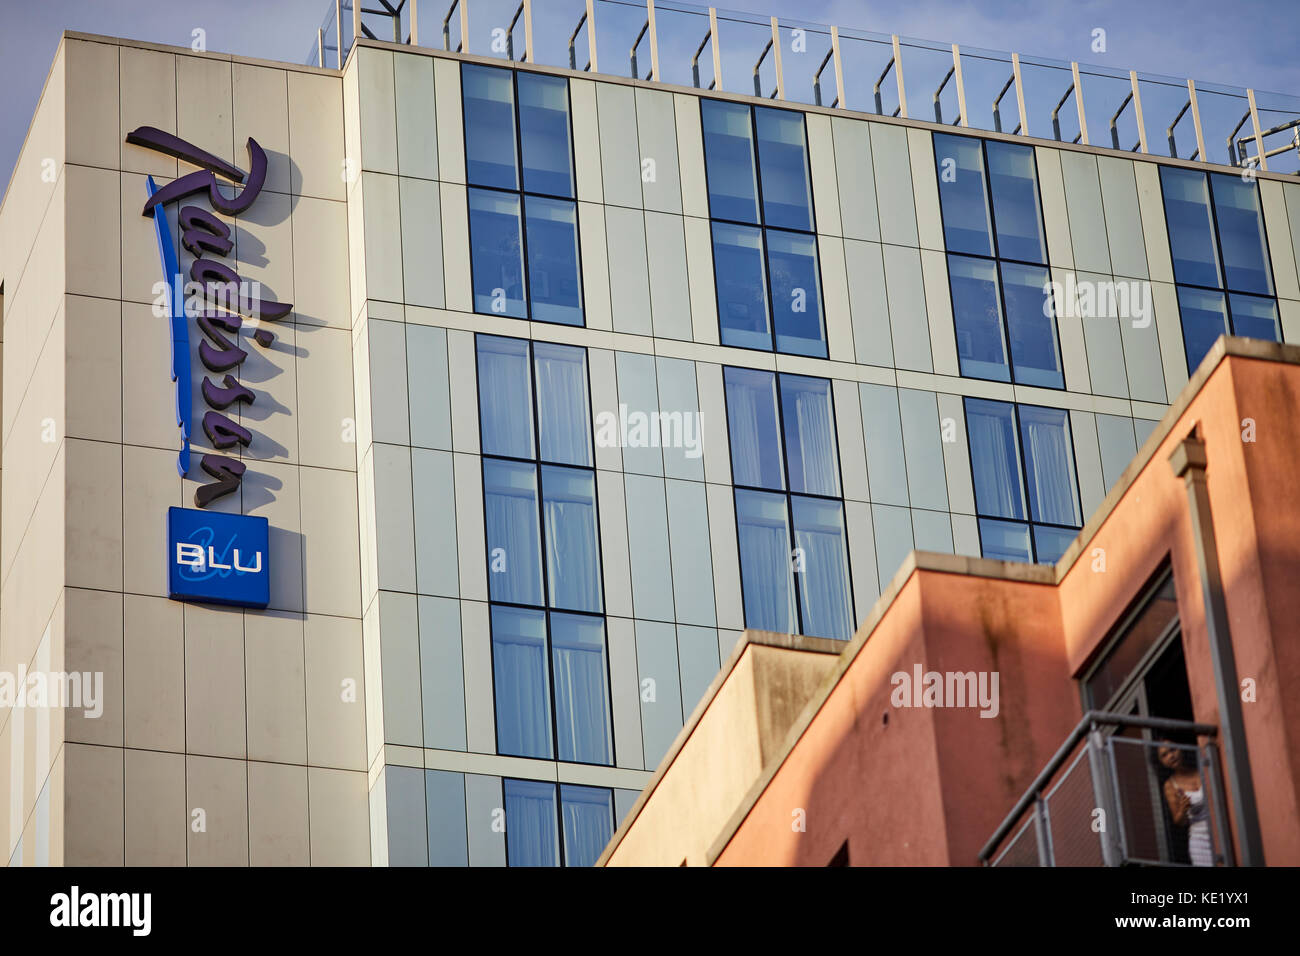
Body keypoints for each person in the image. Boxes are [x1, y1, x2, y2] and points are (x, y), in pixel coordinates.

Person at [1157, 741, 1213, 866]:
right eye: (1164, 755)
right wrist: (1182, 809)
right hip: (1200, 841)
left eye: (1173, 750)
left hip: (1219, 829)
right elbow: (1179, 821)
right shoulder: (1170, 785)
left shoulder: (1203, 768)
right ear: (1161, 762)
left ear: (1181, 748)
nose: (1171, 756)